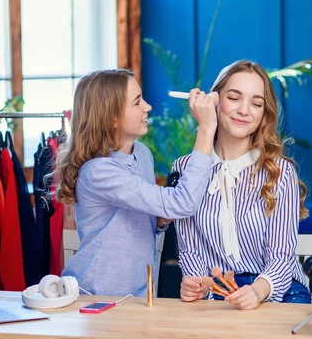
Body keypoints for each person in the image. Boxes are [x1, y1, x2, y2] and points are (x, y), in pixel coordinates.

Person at [56, 69, 218, 296]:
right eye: (136, 102)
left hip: (140, 293)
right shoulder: (99, 172)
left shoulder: (142, 154)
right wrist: (207, 128)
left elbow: (138, 220)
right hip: (98, 297)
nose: (147, 106)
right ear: (111, 117)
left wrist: (160, 219)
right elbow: (184, 204)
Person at [174, 60, 311, 309]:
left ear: (264, 114)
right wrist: (194, 283)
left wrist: (258, 292)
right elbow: (190, 249)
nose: (244, 110)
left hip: (278, 292)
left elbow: (281, 256)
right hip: (218, 292)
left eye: (256, 103)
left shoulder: (281, 172)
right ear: (214, 101)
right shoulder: (184, 169)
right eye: (234, 98)